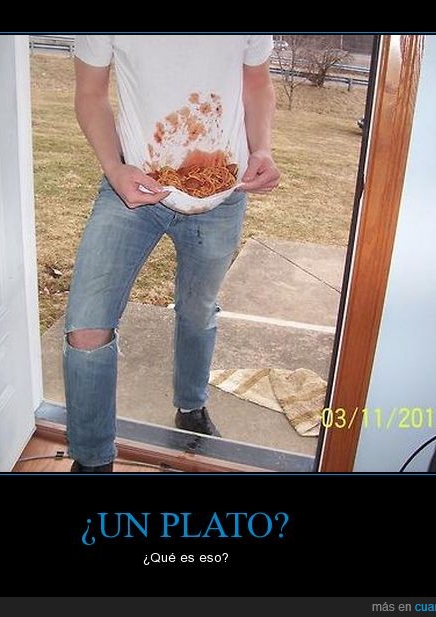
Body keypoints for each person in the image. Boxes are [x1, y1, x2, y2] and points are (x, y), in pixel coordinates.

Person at [64, 35, 280, 473]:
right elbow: (90, 94)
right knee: (85, 327)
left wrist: (261, 148)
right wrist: (114, 167)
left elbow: (257, 83)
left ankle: (191, 406)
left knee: (198, 310)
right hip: (132, 188)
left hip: (221, 193)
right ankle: (92, 461)